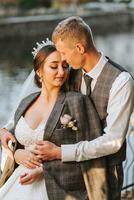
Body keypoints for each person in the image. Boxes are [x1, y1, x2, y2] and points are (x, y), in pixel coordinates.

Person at [0, 16, 134, 199]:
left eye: (63, 53)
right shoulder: (72, 73)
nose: (62, 62)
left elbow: (113, 140)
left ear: (79, 48)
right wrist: (9, 128)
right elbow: (44, 105)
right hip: (62, 175)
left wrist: (59, 152)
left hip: (102, 173)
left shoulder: (121, 81)